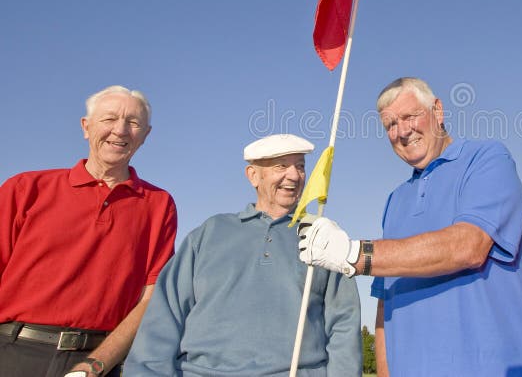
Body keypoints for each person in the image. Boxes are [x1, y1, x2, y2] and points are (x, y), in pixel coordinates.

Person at [298, 77, 522, 376]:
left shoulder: (487, 158)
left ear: (438, 111)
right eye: (390, 125)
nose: (401, 132)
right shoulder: (395, 201)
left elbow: (469, 246)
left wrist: (353, 254)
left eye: (409, 116)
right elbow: (384, 302)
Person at [125, 133, 361, 376]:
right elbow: (164, 314)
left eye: (300, 166)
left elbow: (344, 323)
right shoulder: (210, 233)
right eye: (281, 166)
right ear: (253, 176)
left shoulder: (323, 236)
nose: (294, 175)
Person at [0, 85, 178, 377]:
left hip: (96, 362)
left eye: (133, 123)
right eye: (109, 119)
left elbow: (151, 298)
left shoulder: (159, 205)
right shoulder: (25, 189)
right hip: (12, 352)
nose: (120, 130)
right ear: (86, 127)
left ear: (145, 136)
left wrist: (95, 365)